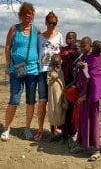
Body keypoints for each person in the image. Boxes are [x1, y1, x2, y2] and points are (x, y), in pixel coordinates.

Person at [1, 2, 40, 141]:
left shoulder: (36, 30)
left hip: (33, 70)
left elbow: (45, 44)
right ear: (21, 15)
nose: (28, 16)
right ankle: (7, 128)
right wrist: (7, 63)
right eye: (25, 13)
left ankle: (27, 128)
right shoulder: (14, 29)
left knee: (30, 101)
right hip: (16, 68)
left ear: (33, 15)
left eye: (30, 13)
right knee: (14, 99)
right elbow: (7, 47)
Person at [70, 38, 101, 162]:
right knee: (82, 120)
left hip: (92, 95)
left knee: (93, 120)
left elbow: (93, 74)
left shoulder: (95, 58)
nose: (82, 47)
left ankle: (96, 149)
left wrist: (83, 66)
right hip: (84, 95)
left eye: (84, 45)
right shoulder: (85, 57)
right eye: (81, 45)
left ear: (90, 46)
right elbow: (82, 74)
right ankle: (82, 144)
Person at [36, 11, 64, 141]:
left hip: (55, 73)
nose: (52, 25)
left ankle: (55, 129)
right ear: (46, 22)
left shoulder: (59, 36)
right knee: (43, 101)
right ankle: (40, 129)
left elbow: (62, 52)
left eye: (54, 23)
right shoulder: (40, 37)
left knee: (56, 101)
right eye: (50, 23)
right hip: (43, 72)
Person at [59, 32, 79, 144]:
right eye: (67, 38)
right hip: (64, 81)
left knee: (72, 109)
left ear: (75, 39)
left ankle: (72, 133)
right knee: (64, 108)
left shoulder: (75, 51)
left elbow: (65, 54)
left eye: (71, 38)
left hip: (73, 84)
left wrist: (66, 53)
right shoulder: (65, 50)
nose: (69, 40)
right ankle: (64, 133)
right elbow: (60, 55)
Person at [47, 54, 66, 141]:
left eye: (58, 64)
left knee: (60, 115)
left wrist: (65, 100)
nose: (56, 66)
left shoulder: (62, 73)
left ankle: (61, 134)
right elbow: (49, 82)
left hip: (60, 99)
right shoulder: (50, 73)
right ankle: (52, 133)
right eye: (54, 64)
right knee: (52, 115)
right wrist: (54, 75)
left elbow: (64, 86)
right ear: (51, 64)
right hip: (52, 99)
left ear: (61, 63)